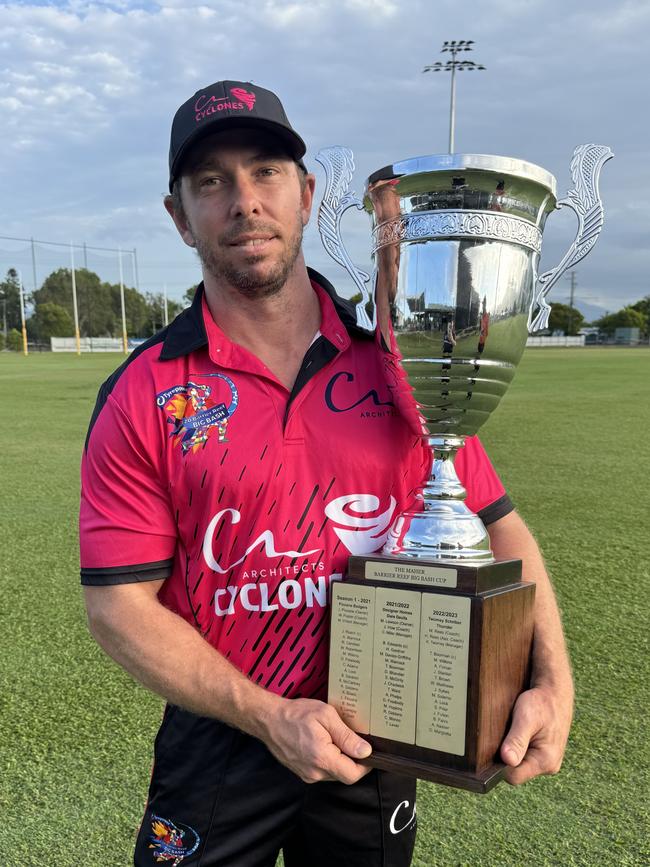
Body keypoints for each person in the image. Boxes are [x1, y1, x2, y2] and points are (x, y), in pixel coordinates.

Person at [80, 80, 574, 867]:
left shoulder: (404, 367)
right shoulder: (146, 393)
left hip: (378, 731)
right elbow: (116, 607)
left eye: (266, 171)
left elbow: (498, 523)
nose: (244, 200)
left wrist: (554, 678)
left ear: (307, 194)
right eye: (211, 181)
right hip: (223, 734)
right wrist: (269, 714)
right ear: (178, 216)